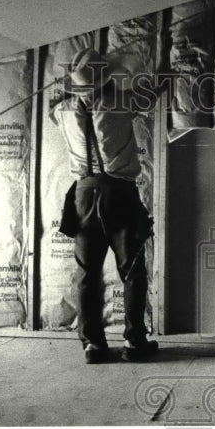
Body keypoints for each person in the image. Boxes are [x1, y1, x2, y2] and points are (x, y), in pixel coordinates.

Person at [54, 46, 158, 364]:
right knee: (131, 271)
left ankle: (94, 346)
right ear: (105, 81)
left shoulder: (61, 110)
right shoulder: (121, 101)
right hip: (119, 194)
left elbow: (52, 109)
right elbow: (150, 96)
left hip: (83, 195)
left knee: (88, 275)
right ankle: (135, 342)